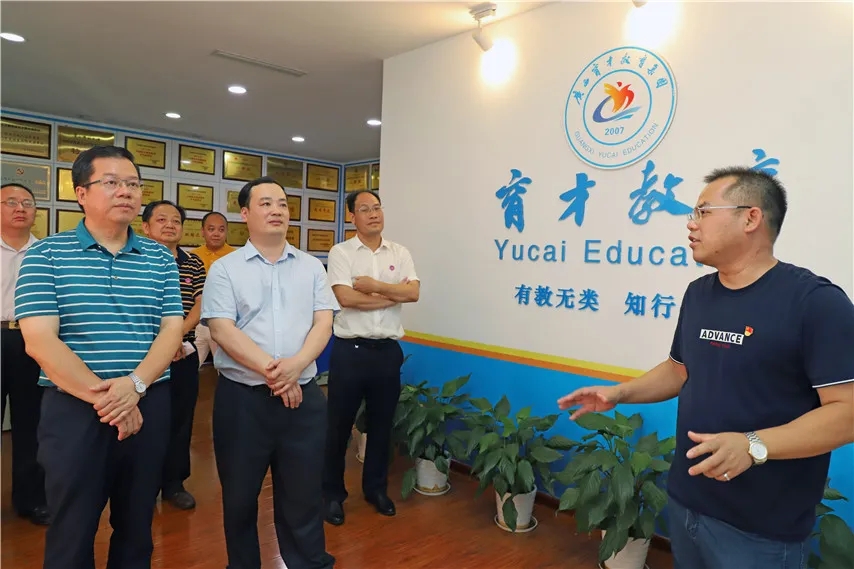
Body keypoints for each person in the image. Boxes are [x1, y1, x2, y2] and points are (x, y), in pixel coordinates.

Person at [557, 167, 854, 569]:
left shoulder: (815, 302)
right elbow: (678, 370)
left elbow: (847, 413)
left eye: (703, 211)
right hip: (687, 503)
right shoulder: (699, 294)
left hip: (761, 529)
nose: (691, 223)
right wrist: (619, 393)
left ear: (750, 218)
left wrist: (752, 445)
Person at [15, 145, 184, 569]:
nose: (125, 191)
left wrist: (136, 386)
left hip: (149, 404)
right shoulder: (46, 254)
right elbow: (39, 341)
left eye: (133, 184)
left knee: (137, 525)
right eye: (111, 182)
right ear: (81, 193)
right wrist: (112, 401)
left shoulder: (160, 257)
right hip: (74, 408)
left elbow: (171, 330)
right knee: (72, 528)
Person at [202, 176, 338, 569]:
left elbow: (324, 323)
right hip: (243, 402)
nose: (276, 210)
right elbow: (221, 329)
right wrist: (277, 374)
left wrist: (296, 367)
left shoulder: (311, 267)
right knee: (240, 496)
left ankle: (309, 562)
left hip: (303, 399)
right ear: (245, 214)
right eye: (265, 203)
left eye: (281, 203)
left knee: (303, 493)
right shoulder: (225, 269)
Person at [322, 189, 420, 525]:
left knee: (382, 426)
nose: (373, 214)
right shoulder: (341, 252)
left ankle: (376, 489)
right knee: (338, 427)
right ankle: (331, 495)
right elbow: (346, 298)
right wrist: (392, 296)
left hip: (387, 352)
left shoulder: (400, 252)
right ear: (352, 216)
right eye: (365, 209)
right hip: (350, 351)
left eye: (377, 207)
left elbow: (413, 292)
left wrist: (374, 286)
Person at [141, 199, 206, 510]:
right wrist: (163, 342)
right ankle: (142, 483)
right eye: (162, 220)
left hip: (183, 353)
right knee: (145, 419)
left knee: (181, 421)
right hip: (144, 355)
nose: (170, 225)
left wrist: (175, 336)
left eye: (176, 221)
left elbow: (201, 304)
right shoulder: (134, 259)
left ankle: (173, 483)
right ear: (145, 227)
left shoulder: (193, 262)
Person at [1, 183, 49, 526]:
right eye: (11, 202)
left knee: (32, 423)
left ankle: (31, 499)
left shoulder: (45, 253)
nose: (21, 208)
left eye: (27, 203)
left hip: (33, 340)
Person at [191, 211, 234, 367]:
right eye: (211, 229)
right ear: (202, 231)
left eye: (221, 229)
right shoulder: (192, 257)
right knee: (189, 366)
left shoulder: (236, 257)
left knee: (227, 369)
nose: (216, 234)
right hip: (197, 323)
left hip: (226, 322)